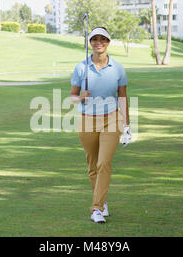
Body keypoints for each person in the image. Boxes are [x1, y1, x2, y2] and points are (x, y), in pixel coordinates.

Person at [70, 27, 131, 223]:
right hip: (87, 119)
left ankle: (96, 208)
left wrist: (127, 125)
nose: (99, 42)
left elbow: (122, 97)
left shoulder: (118, 68)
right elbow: (72, 97)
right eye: (94, 39)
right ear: (90, 43)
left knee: (104, 163)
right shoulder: (81, 68)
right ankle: (102, 201)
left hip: (111, 119)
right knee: (93, 166)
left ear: (108, 42)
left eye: (102, 39)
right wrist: (80, 97)